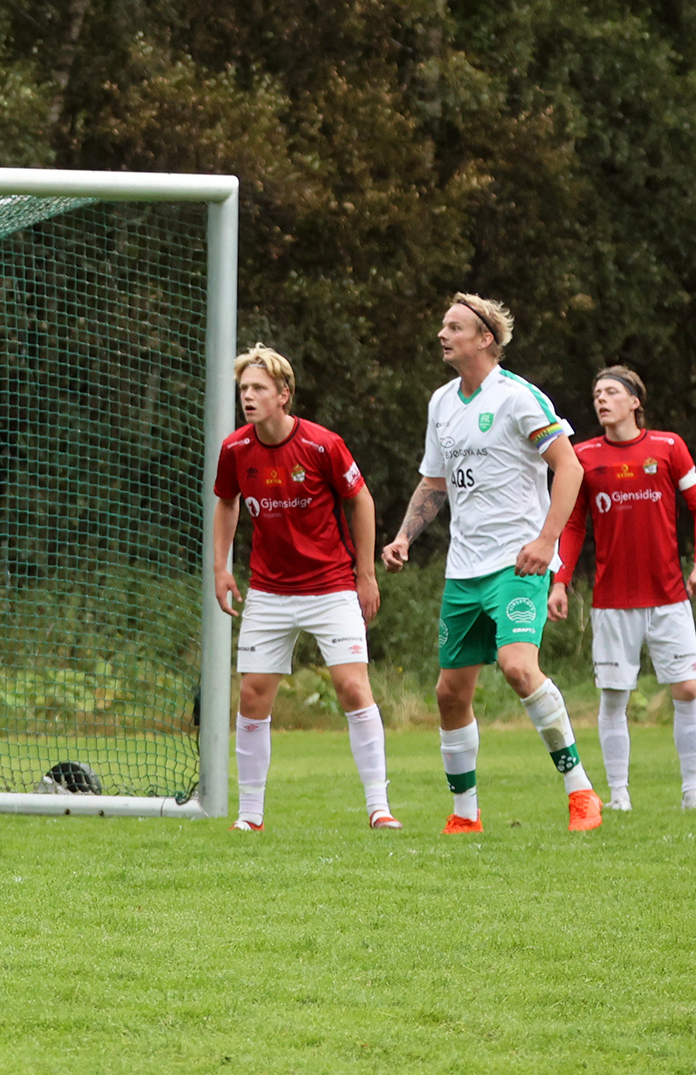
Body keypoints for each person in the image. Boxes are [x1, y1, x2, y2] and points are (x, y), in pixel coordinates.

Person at [382, 294, 599, 833]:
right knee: (449, 693)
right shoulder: (441, 403)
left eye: (455, 326)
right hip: (464, 568)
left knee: (518, 667)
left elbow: (569, 467)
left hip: (517, 563)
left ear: (486, 339)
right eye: (442, 325)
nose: (442, 333)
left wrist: (547, 541)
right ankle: (464, 816)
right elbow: (434, 483)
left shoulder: (517, 396)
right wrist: (405, 537)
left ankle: (581, 794)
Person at [211, 345, 397, 831]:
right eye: (243, 389)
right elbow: (226, 503)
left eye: (258, 389)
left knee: (352, 687)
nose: (248, 397)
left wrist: (365, 574)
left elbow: (361, 501)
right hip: (269, 591)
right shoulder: (234, 449)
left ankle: (379, 808)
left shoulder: (321, 445)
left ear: (283, 394)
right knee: (252, 696)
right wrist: (221, 567)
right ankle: (250, 816)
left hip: (330, 585)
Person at [549, 365, 696, 811]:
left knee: (686, 689)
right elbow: (574, 525)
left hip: (669, 597)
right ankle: (619, 796)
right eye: (596, 392)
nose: (601, 399)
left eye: (611, 392)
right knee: (615, 696)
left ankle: (692, 793)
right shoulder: (583, 456)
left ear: (635, 402)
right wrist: (559, 582)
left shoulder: (668, 446)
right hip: (613, 603)